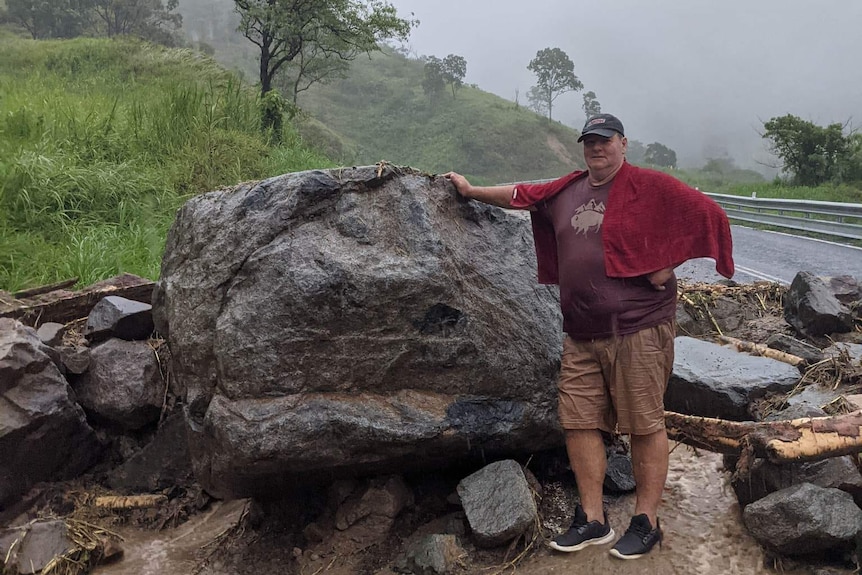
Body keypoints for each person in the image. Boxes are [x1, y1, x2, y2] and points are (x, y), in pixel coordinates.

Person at [445, 113, 734, 560]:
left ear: (623, 143)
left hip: (637, 328)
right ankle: (593, 519)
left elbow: (707, 214)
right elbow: (521, 194)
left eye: (605, 140)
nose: (597, 148)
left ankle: (646, 522)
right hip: (580, 332)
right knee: (578, 422)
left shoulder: (649, 185)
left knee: (644, 423)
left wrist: (669, 262)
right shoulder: (568, 188)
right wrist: (470, 190)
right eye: (589, 141)